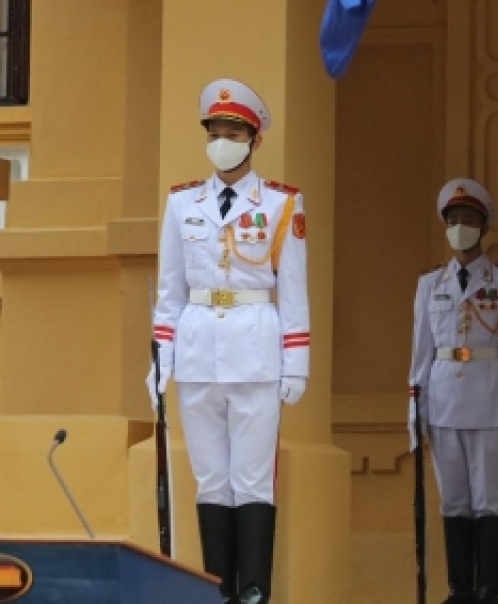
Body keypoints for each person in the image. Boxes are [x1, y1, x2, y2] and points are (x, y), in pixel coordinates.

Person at [148, 79, 310, 604]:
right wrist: (160, 360)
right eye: (215, 131)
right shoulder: (181, 203)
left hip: (255, 350)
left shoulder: (283, 203)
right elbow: (169, 290)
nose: (223, 140)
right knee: (212, 481)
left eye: (233, 131)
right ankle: (219, 592)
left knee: (253, 481)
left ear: (253, 139)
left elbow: (294, 289)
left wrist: (297, 363)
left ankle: (256, 591)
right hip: (196, 351)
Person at [410, 178, 498, 603]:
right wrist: (415, 407)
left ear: (483, 227)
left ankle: (487, 590)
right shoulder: (430, 284)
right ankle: (459, 589)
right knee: (454, 500)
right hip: (443, 402)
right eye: (454, 220)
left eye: (468, 220)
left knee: (488, 501)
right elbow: (421, 351)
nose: (460, 227)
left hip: (489, 401)